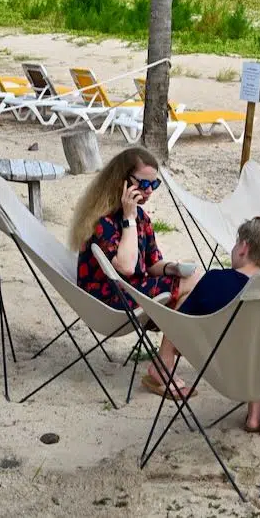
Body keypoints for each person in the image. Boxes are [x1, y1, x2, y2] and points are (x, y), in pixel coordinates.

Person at [71, 147, 202, 399]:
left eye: (154, 184)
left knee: (191, 282)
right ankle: (163, 366)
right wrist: (129, 217)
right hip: (107, 299)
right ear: (122, 181)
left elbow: (151, 264)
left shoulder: (141, 217)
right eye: (143, 183)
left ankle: (163, 365)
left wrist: (171, 268)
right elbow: (127, 267)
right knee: (191, 287)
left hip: (131, 290)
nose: (149, 191)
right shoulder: (103, 220)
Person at [176, 215, 260, 439]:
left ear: (243, 247)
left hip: (222, 373)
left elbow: (180, 325)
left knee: (244, 342)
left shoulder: (212, 280)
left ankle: (255, 412)